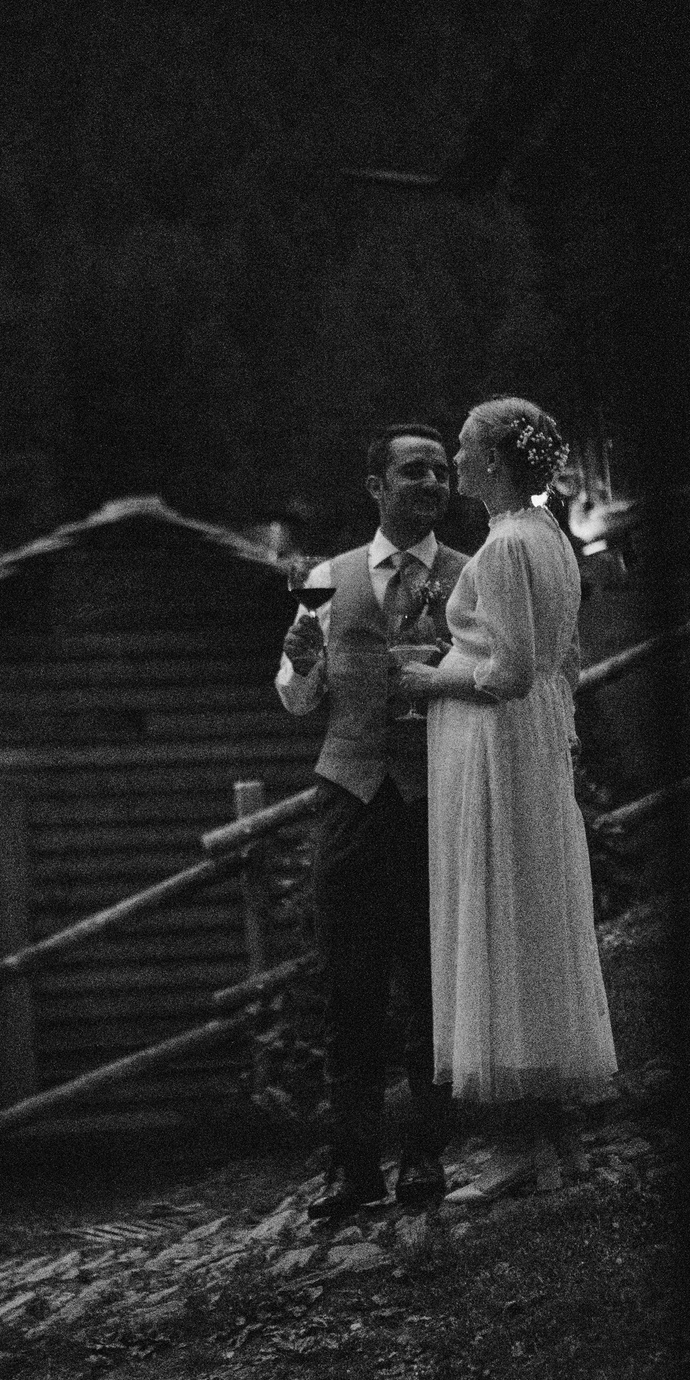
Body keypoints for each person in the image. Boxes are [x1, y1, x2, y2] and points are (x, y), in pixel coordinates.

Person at [392, 396, 618, 1200]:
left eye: (463, 447)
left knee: (503, 918)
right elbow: (566, 660)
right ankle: (559, 1140)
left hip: (497, 753)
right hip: (522, 748)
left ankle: (529, 1145)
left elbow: (514, 669)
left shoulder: (509, 545)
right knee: (530, 916)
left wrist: (430, 675)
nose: (454, 460)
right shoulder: (547, 536)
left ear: (494, 460)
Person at [276, 423, 468, 1219]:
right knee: (349, 991)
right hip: (351, 802)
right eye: (413, 469)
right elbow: (296, 698)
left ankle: (426, 1157)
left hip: (439, 798)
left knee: (432, 986)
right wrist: (301, 661)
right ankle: (352, 1168)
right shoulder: (328, 577)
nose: (431, 481)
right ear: (375, 487)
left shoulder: (473, 575)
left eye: (442, 470)